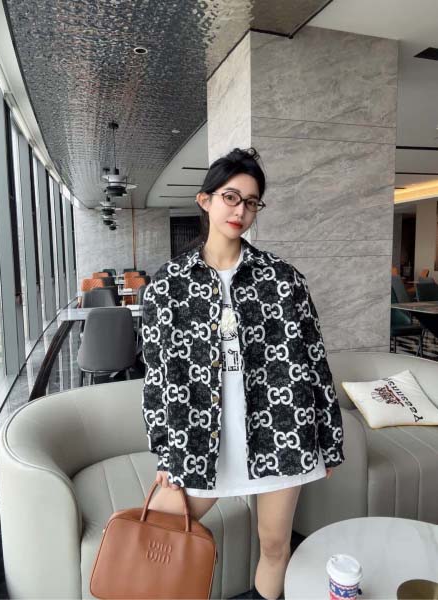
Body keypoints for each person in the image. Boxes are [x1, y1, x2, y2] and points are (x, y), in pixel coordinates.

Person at [141, 147, 345, 600]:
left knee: (274, 546)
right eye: (231, 197)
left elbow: (315, 361)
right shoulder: (168, 285)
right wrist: (165, 450)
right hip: (200, 437)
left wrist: (329, 440)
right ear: (205, 200)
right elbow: (156, 376)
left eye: (251, 202)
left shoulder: (284, 279)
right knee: (160, 531)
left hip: (280, 432)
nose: (240, 211)